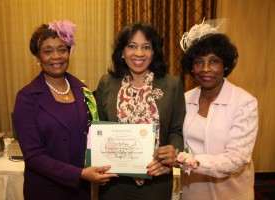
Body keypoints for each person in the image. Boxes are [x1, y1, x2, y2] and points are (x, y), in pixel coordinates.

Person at [13, 20, 117, 200]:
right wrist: (79, 174)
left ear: (69, 52)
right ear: (38, 57)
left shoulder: (82, 90)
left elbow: (93, 135)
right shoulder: (27, 97)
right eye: (48, 51)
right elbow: (34, 156)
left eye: (62, 49)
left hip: (80, 190)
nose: (56, 56)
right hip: (45, 190)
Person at [95, 22, 186, 200]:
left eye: (146, 47)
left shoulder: (172, 84)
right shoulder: (106, 83)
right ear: (122, 52)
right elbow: (99, 127)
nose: (139, 53)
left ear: (154, 52)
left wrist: (171, 157)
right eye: (131, 46)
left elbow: (176, 130)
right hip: (115, 181)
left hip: (157, 178)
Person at [180, 19, 258, 200]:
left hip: (232, 194)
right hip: (192, 192)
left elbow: (236, 158)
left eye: (213, 61)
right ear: (191, 67)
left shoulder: (244, 102)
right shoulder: (184, 99)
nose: (205, 69)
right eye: (199, 62)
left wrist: (184, 161)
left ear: (226, 65)